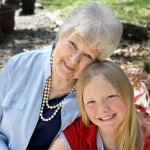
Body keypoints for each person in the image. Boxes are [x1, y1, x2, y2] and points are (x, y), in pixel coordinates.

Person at [0, 2, 123, 150]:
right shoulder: (18, 66)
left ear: (97, 62)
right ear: (60, 34)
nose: (74, 59)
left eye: (87, 55)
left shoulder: (92, 98)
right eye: (73, 44)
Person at [51, 60, 150, 150]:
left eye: (110, 96)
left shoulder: (145, 138)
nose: (102, 109)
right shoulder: (78, 133)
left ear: (127, 94)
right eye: (91, 102)